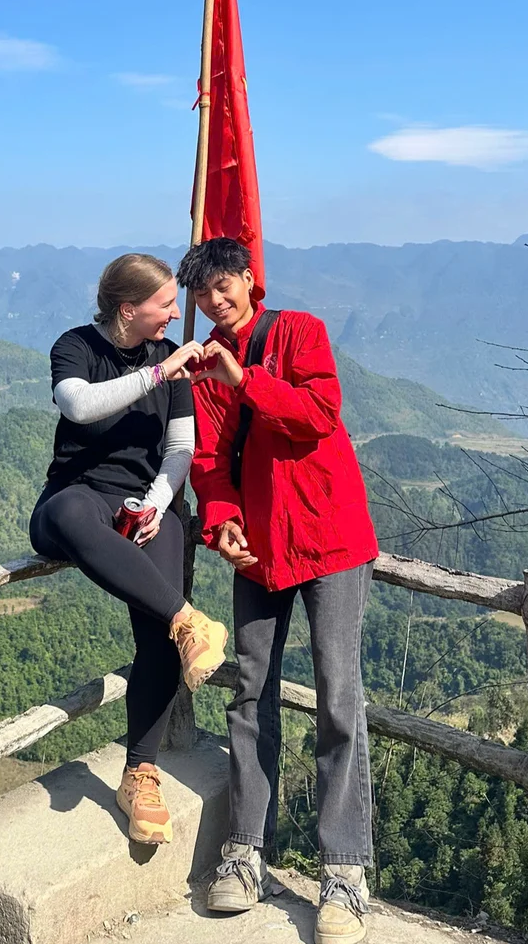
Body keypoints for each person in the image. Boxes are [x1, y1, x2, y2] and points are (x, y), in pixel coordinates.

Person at [176, 238, 379, 944]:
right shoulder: (202, 369)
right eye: (202, 294)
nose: (214, 301)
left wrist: (243, 377)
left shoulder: (299, 331)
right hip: (259, 550)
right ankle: (245, 849)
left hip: (330, 539)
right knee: (250, 692)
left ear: (249, 280)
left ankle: (344, 870)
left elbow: (318, 413)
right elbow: (210, 461)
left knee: (337, 697)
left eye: (223, 285)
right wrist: (222, 520)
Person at [29, 253, 229, 847]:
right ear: (128, 309)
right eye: (167, 304)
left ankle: (140, 770)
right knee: (65, 514)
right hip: (77, 497)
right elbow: (79, 405)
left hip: (144, 501)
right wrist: (158, 373)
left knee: (157, 636)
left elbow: (181, 450)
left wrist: (157, 503)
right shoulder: (77, 346)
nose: (177, 312)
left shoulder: (173, 368)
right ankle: (189, 620)